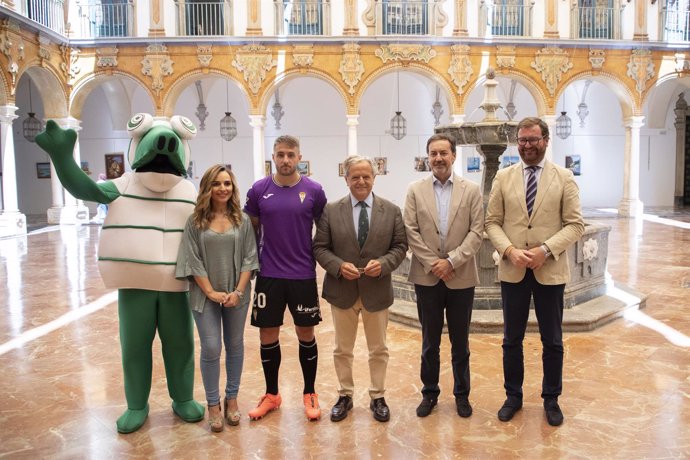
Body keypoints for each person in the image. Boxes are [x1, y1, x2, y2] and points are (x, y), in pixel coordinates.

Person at [485, 117, 585, 427]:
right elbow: (492, 222)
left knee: (552, 339)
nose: (527, 145)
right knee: (511, 339)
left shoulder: (564, 177)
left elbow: (575, 224)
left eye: (533, 139)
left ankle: (551, 398)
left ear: (545, 140)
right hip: (513, 269)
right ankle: (513, 396)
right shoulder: (503, 177)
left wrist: (545, 250)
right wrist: (510, 251)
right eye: (523, 140)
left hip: (549, 268)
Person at [313, 155, 408, 423]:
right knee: (342, 349)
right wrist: (339, 266)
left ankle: (378, 396)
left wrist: (386, 263)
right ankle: (345, 395)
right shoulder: (331, 210)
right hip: (342, 291)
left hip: (376, 291)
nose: (361, 181)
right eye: (355, 176)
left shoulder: (390, 210)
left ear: (374, 178)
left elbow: (400, 246)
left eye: (366, 176)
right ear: (346, 179)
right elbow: (319, 247)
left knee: (378, 348)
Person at [244, 135, 328, 421]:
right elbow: (250, 230)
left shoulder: (314, 190)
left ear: (299, 157)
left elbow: (324, 230)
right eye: (280, 155)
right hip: (269, 275)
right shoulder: (258, 190)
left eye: (291, 155)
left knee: (307, 334)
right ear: (273, 157)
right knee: (268, 335)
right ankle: (272, 394)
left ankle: (309, 392)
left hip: (303, 275)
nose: (286, 160)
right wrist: (251, 262)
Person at [403, 133, 484, 419]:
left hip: (460, 277)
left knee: (461, 342)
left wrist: (451, 261)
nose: (438, 158)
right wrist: (434, 263)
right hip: (427, 278)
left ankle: (462, 395)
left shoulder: (471, 190)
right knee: (429, 341)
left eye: (443, 153)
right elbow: (410, 231)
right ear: (428, 157)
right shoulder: (415, 189)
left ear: (453, 156)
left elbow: (477, 231)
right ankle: (430, 393)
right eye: (433, 153)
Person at [176, 165, 259, 432]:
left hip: (237, 294)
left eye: (227, 183)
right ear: (207, 188)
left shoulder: (242, 220)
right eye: (217, 184)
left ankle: (231, 399)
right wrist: (210, 291)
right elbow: (192, 258)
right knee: (211, 347)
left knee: (235, 345)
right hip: (204, 295)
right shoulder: (195, 221)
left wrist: (238, 291)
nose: (223, 188)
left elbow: (249, 257)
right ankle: (213, 404)